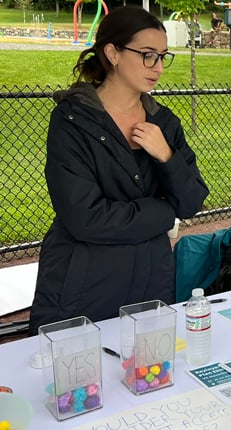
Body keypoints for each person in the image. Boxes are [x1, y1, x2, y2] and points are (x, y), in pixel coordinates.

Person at [28, 6, 209, 334]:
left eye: (163, 57)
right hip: (83, 285)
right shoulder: (72, 121)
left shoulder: (164, 123)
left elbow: (192, 200)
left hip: (149, 281)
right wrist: (161, 213)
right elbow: (85, 219)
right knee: (76, 380)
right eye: (147, 55)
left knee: (151, 377)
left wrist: (167, 156)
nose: (157, 67)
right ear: (112, 52)